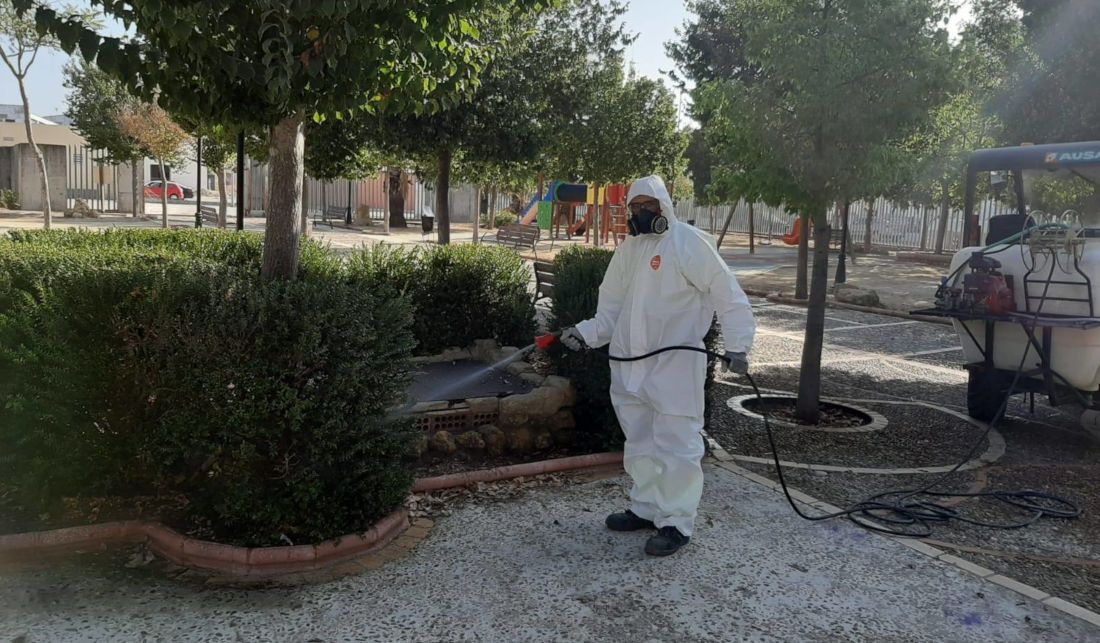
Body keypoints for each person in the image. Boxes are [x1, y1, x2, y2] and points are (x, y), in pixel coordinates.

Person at [559, 175, 756, 556]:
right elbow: (610, 310)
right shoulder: (628, 250)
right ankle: (646, 507)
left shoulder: (688, 244)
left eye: (648, 206)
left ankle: (676, 522)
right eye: (635, 207)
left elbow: (727, 292)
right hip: (630, 366)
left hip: (675, 366)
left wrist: (739, 344)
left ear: (664, 206)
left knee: (677, 445)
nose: (641, 213)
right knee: (641, 440)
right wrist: (584, 333)